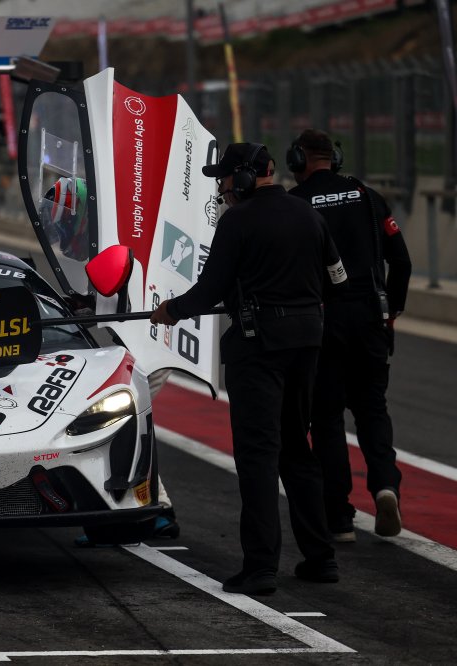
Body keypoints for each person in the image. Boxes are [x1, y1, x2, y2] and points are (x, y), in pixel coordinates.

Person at [150, 143, 347, 595]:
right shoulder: (309, 215)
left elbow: (210, 288)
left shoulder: (237, 221)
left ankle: (260, 568)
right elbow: (338, 279)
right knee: (297, 448)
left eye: (223, 178)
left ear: (242, 177)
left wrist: (171, 311)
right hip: (307, 342)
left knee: (258, 455)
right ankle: (321, 558)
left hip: (259, 348)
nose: (221, 187)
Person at [287, 129, 412, 541]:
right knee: (373, 409)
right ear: (335, 158)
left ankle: (339, 517)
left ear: (297, 159)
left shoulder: (296, 203)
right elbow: (402, 262)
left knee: (326, 418)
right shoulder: (368, 197)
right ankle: (386, 487)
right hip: (370, 317)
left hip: (323, 321)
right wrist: (392, 311)